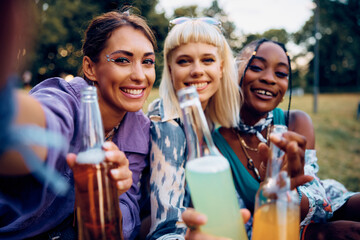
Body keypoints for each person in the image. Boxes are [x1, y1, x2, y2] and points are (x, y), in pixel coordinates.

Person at [0, 9, 157, 240]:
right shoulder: (65, 99)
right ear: (90, 68)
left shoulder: (140, 128)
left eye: (148, 62)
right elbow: (45, 124)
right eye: (122, 60)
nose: (139, 75)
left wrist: (111, 195)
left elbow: (127, 218)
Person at [186, 38, 360, 239]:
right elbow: (239, 228)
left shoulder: (296, 121)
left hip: (323, 205)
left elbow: (319, 204)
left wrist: (288, 190)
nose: (270, 79)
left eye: (281, 74)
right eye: (257, 67)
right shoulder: (214, 149)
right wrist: (315, 233)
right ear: (234, 73)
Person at [146, 17, 242, 239]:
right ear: (170, 70)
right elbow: (166, 229)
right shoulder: (167, 126)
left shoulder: (208, 120)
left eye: (207, 60)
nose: (197, 70)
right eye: (184, 61)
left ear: (221, 68)